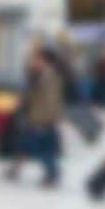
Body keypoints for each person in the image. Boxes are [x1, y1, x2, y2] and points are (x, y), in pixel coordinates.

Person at [6, 48, 65, 187]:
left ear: (44, 61)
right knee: (25, 144)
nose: (34, 62)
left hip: (41, 119)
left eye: (36, 59)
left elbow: (50, 100)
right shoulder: (42, 74)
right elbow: (34, 93)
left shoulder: (48, 76)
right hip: (37, 117)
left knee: (42, 149)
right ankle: (15, 169)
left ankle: (52, 175)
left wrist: (46, 120)